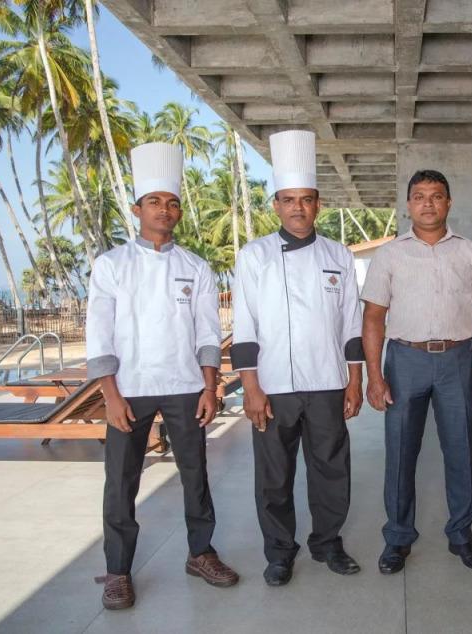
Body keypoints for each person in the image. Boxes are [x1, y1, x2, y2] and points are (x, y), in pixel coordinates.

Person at [88, 142, 238, 611]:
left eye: (172, 202)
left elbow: (208, 333)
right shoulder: (111, 265)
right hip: (129, 389)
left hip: (185, 386)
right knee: (121, 481)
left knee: (196, 474)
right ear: (137, 210)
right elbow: (100, 335)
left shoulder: (195, 267)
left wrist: (210, 386)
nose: (164, 209)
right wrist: (110, 395)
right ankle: (118, 571)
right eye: (154, 201)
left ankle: (201, 553)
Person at [231, 130, 364, 587]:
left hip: (327, 381)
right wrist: (250, 387)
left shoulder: (338, 255)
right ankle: (279, 553)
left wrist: (355, 380)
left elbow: (351, 323)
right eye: (288, 200)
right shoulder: (254, 256)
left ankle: (327, 543)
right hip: (272, 385)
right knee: (274, 475)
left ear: (318, 204)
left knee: (332, 469)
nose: (298, 208)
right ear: (276, 205)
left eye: (306, 199)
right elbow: (244, 326)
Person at [361, 169, 472, 574]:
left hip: (458, 359)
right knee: (400, 451)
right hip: (405, 360)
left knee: (461, 450)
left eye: (436, 195)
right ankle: (398, 537)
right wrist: (375, 376)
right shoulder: (390, 254)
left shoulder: (470, 252)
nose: (428, 203)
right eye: (420, 196)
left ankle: (461, 534)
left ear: (449, 203)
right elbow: (373, 317)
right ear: (409, 204)